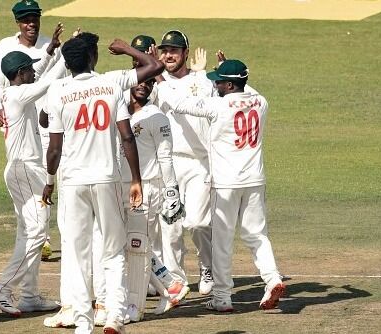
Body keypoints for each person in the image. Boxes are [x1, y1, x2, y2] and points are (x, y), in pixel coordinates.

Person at [40, 33, 166, 329]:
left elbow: (54, 147)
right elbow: (154, 68)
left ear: (68, 63)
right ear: (93, 58)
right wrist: (124, 49)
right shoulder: (110, 82)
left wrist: (49, 181)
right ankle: (114, 316)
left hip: (73, 182)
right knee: (112, 250)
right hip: (106, 178)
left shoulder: (58, 90)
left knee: (79, 253)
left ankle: (83, 325)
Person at [157, 59, 286, 312]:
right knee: (256, 234)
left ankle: (222, 298)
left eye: (219, 81)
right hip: (255, 180)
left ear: (229, 84)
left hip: (226, 183)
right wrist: (232, 73)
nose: (214, 84)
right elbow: (249, 89)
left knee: (223, 241)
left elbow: (181, 104)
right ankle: (272, 278)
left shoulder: (218, 106)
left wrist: (160, 80)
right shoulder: (261, 102)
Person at [0, 51, 66, 316]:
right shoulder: (19, 95)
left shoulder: (13, 92)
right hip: (24, 169)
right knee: (38, 232)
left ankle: (29, 296)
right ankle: (2, 288)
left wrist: (51, 52)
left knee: (28, 232)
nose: (33, 72)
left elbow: (39, 74)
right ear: (20, 74)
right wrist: (68, 55)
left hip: (26, 170)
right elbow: (46, 82)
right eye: (28, 70)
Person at [122, 74, 190, 322]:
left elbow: (166, 156)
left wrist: (171, 190)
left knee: (137, 245)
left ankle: (135, 306)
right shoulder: (119, 110)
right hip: (123, 186)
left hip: (148, 188)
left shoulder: (157, 117)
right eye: (141, 80)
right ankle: (171, 285)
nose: (144, 85)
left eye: (150, 82)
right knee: (129, 244)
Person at [154, 29, 214, 295]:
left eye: (174, 50)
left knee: (198, 223)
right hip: (169, 163)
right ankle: (177, 282)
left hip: (200, 162)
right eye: (164, 50)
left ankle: (207, 267)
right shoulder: (155, 83)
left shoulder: (201, 80)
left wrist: (203, 73)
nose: (168, 55)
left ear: (185, 54)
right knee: (171, 228)